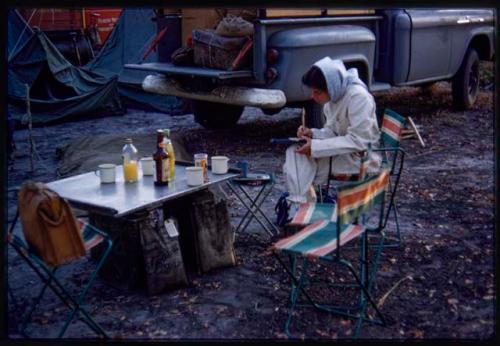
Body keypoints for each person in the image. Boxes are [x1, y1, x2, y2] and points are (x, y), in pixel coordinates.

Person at [283, 57, 382, 204]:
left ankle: (300, 207)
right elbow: (333, 132)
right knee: (294, 152)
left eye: (317, 92)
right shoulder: (334, 97)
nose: (313, 96)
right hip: (344, 153)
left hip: (361, 158)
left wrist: (315, 146)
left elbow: (359, 141)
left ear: (331, 86)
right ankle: (302, 206)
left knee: (302, 170)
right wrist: (313, 134)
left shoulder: (358, 98)